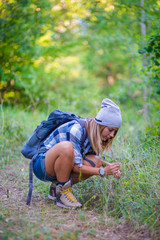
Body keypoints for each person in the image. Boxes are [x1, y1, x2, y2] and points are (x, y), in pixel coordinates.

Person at [33, 98, 122, 209]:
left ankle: (56, 188)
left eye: (115, 132)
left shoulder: (94, 134)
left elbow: (81, 160)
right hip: (42, 164)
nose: (112, 135)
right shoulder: (76, 129)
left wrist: (109, 166)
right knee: (67, 147)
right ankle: (63, 193)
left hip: (58, 164)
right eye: (110, 130)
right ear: (101, 125)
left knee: (96, 161)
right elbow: (75, 166)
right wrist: (103, 171)